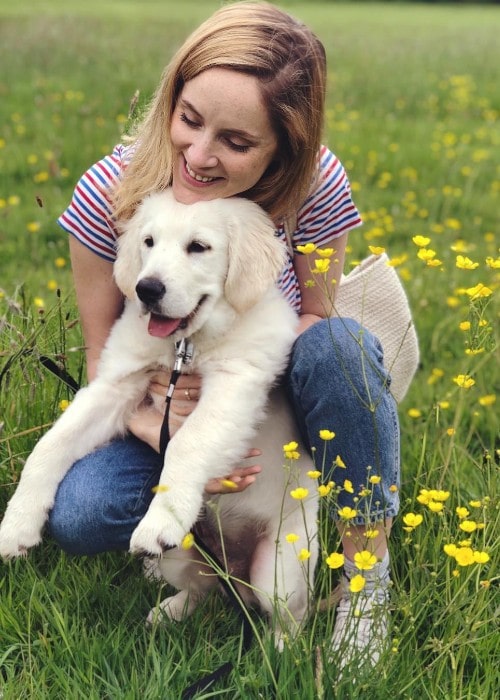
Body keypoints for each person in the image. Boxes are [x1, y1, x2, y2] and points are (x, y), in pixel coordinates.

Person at [51, 1, 400, 674]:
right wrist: (169, 431)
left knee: (343, 351)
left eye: (237, 144)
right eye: (189, 119)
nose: (200, 155)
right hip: (158, 413)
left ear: (286, 149)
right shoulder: (111, 190)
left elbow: (317, 318)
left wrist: (233, 410)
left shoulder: (315, 183)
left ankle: (364, 580)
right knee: (83, 513)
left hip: (272, 413)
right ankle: (207, 583)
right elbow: (105, 363)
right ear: (172, 97)